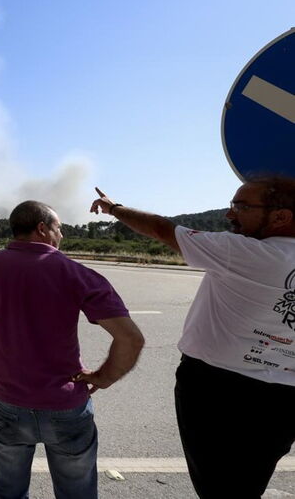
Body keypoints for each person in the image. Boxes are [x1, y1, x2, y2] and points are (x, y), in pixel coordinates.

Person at [91, 176, 295, 498]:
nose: (230, 215)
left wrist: (114, 208)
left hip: (216, 389)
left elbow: (160, 228)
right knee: (249, 482)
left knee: (217, 486)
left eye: (241, 207)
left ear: (282, 216)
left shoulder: (241, 252)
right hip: (285, 396)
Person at [0, 200, 145, 499]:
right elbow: (131, 339)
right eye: (59, 229)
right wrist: (104, 377)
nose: (62, 236)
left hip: (6, 402)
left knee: (8, 490)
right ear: (42, 228)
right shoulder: (76, 273)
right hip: (65, 404)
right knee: (77, 492)